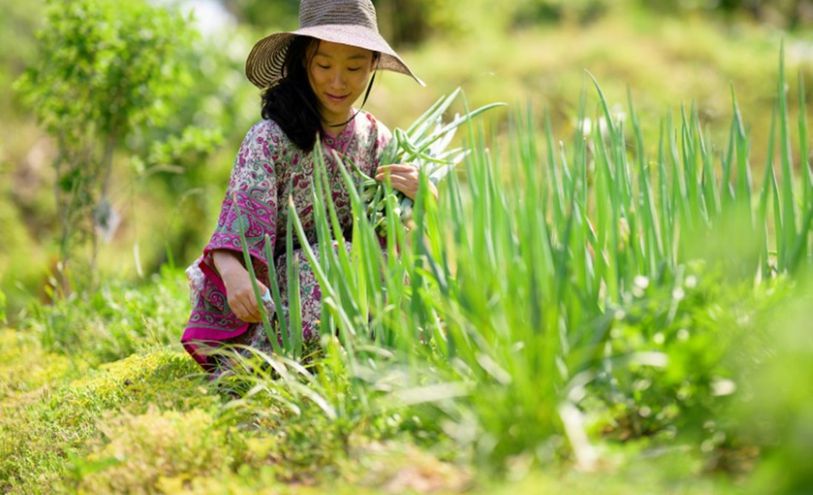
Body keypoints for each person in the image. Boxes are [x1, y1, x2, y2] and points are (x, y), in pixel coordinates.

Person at [181, 0, 427, 377]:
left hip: (352, 306)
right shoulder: (269, 141)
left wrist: (422, 201)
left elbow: (392, 241)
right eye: (324, 65)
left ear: (373, 65)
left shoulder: (378, 141)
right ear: (303, 62)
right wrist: (234, 275)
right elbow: (232, 235)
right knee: (328, 257)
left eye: (355, 67)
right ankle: (287, 368)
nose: (338, 81)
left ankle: (374, 360)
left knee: (396, 272)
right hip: (274, 308)